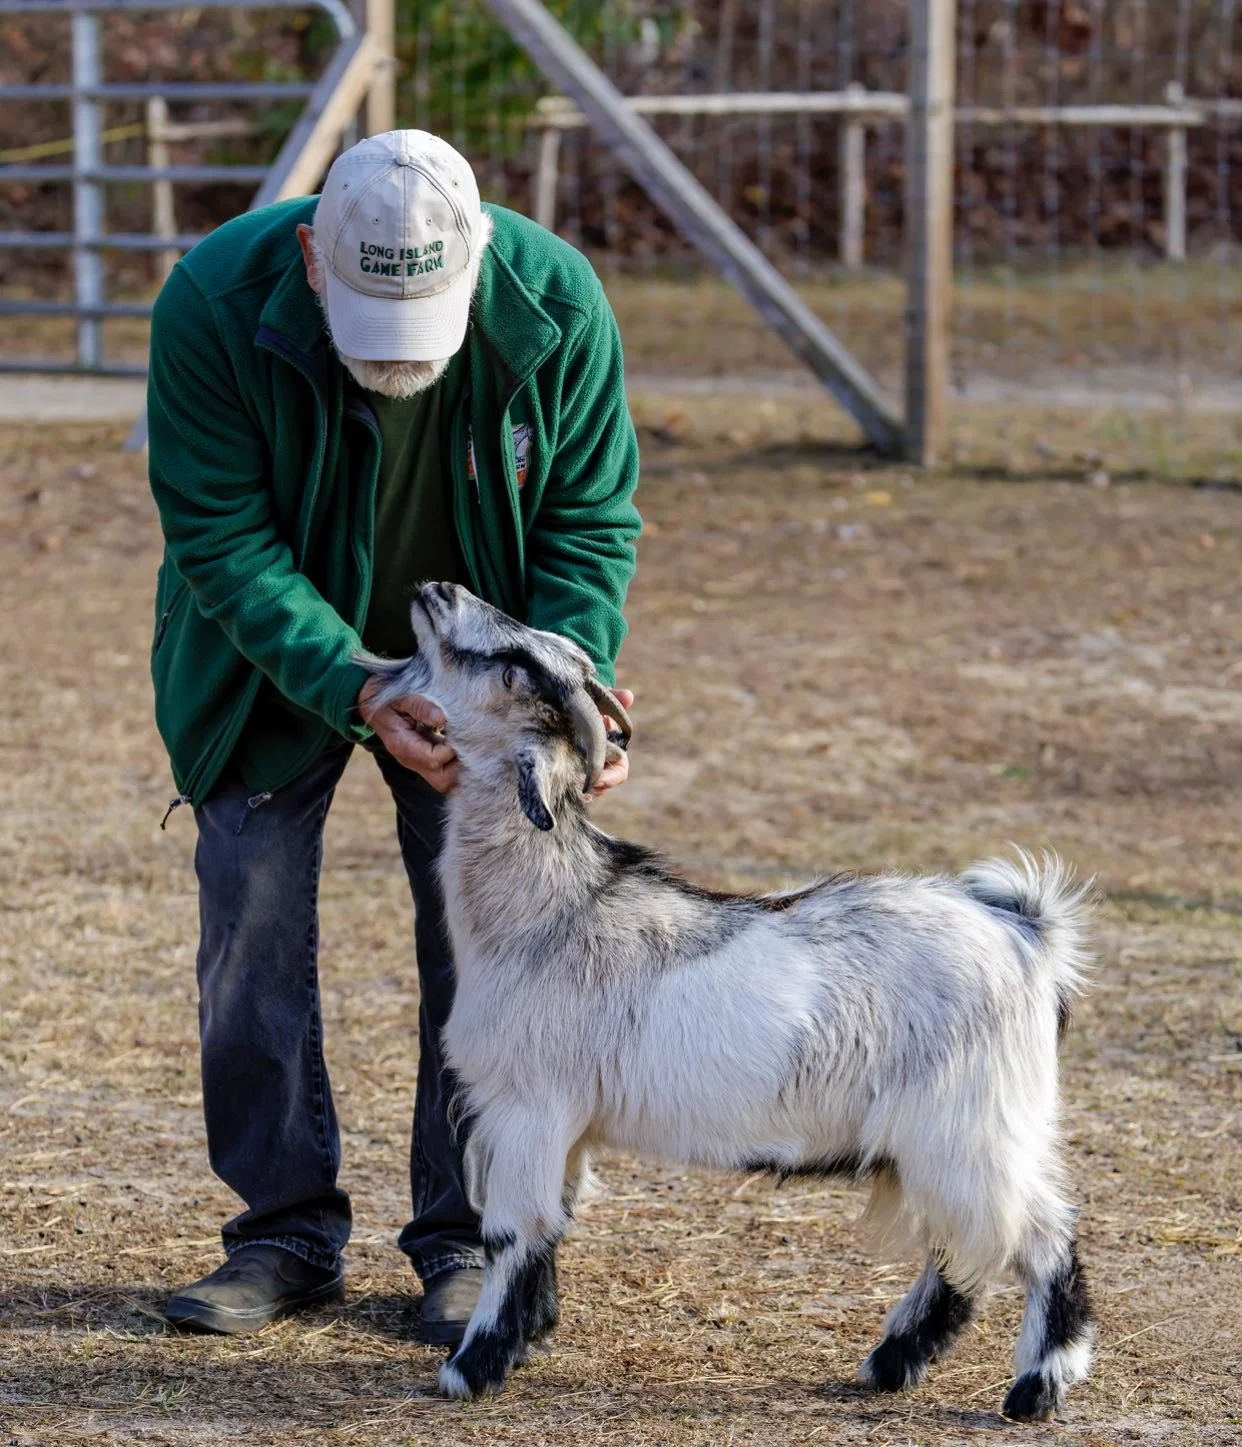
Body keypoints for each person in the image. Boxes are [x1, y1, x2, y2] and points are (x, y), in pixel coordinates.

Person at [145, 129, 640, 1344]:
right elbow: (223, 539)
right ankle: (282, 1232)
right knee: (249, 923)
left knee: (488, 946)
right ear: (315, 258)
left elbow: (587, 519)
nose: (400, 362)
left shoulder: (556, 304)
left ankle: (467, 1237)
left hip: (481, 671)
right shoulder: (213, 300)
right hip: (271, 661)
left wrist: (575, 690)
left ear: (475, 254)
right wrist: (354, 679)